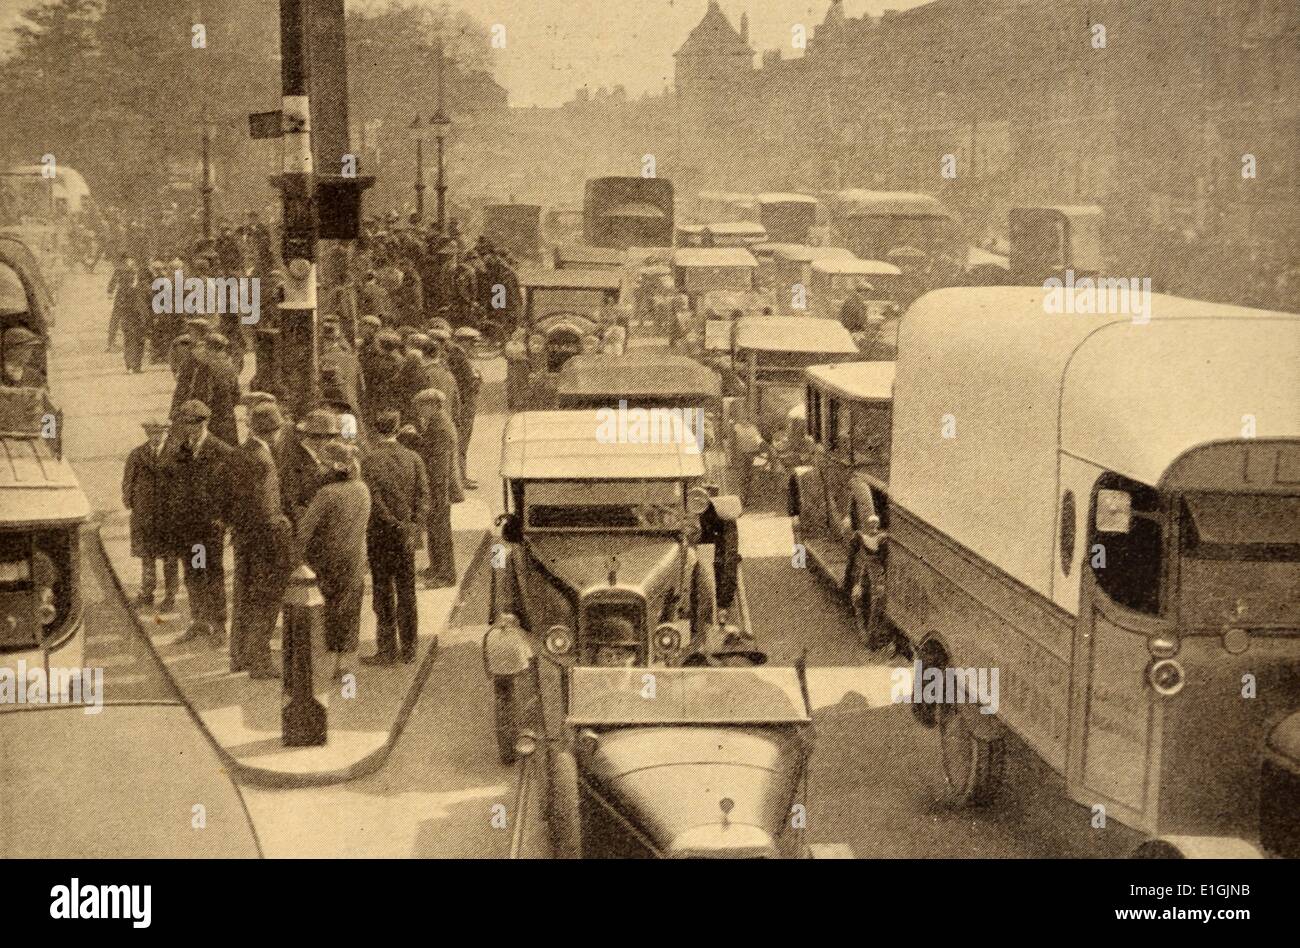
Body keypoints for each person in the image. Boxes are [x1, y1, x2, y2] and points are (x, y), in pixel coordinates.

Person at [227, 402, 294, 678]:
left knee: (243, 597)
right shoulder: (264, 460)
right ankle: (260, 661)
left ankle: (239, 656)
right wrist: (285, 524)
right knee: (265, 601)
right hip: (265, 542)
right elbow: (268, 511)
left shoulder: (239, 453)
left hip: (243, 539)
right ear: (272, 432)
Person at [296, 440, 371, 681]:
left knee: (326, 610)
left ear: (332, 468)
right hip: (356, 558)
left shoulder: (326, 495)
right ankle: (344, 663)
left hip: (328, 561)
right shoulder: (362, 489)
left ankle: (323, 663)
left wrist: (296, 560)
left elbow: (304, 531)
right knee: (349, 610)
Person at [360, 410, 429, 666]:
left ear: (375, 429)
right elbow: (424, 496)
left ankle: (386, 649)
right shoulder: (413, 458)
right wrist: (413, 526)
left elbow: (374, 502)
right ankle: (410, 649)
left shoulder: (369, 461)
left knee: (382, 591)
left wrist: (393, 524)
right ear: (398, 428)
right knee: (407, 591)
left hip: (380, 535)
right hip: (406, 537)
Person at [169, 399, 234, 646]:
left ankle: (219, 626)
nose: (188, 429)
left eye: (192, 424)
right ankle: (199, 620)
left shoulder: (221, 451)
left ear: (204, 423)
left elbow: (232, 490)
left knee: (212, 574)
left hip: (210, 528)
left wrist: (224, 519)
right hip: (189, 528)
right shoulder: (182, 450)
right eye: (184, 424)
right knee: (194, 571)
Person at [399, 388, 464, 588]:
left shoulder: (440, 427)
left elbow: (440, 463)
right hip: (439, 487)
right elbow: (430, 449)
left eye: (423, 407)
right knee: (436, 529)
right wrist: (416, 438)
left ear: (434, 405)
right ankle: (436, 567)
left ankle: (445, 575)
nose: (420, 411)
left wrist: (437, 494)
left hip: (440, 487)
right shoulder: (438, 422)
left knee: (440, 531)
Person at [122, 419, 179, 612]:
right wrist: (130, 502)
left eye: (160, 434)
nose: (156, 438)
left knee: (170, 558)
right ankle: (147, 593)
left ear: (166, 434)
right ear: (147, 435)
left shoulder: (177, 454)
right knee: (147, 557)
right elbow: (128, 481)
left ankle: (170, 596)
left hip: (168, 516)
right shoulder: (137, 454)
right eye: (152, 434)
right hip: (145, 515)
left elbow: (183, 483)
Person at [280, 408, 339, 523]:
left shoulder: (318, 458)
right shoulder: (295, 461)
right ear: (319, 438)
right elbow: (293, 504)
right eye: (330, 437)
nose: (331, 442)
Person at [190, 332, 241, 447]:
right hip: (228, 417)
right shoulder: (230, 366)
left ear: (209, 348)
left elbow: (200, 396)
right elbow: (236, 395)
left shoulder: (205, 367)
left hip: (211, 419)